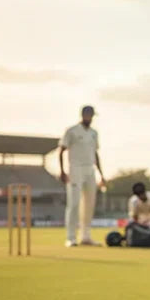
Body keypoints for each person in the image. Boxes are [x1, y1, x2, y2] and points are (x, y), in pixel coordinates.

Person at [58, 105, 106, 247]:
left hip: (90, 170)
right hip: (75, 169)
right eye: (88, 114)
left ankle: (86, 236)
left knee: (89, 204)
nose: (90, 118)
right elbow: (61, 150)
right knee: (74, 203)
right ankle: (71, 237)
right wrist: (62, 171)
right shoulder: (72, 131)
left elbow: (96, 154)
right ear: (83, 114)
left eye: (92, 115)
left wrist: (101, 175)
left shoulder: (94, 133)